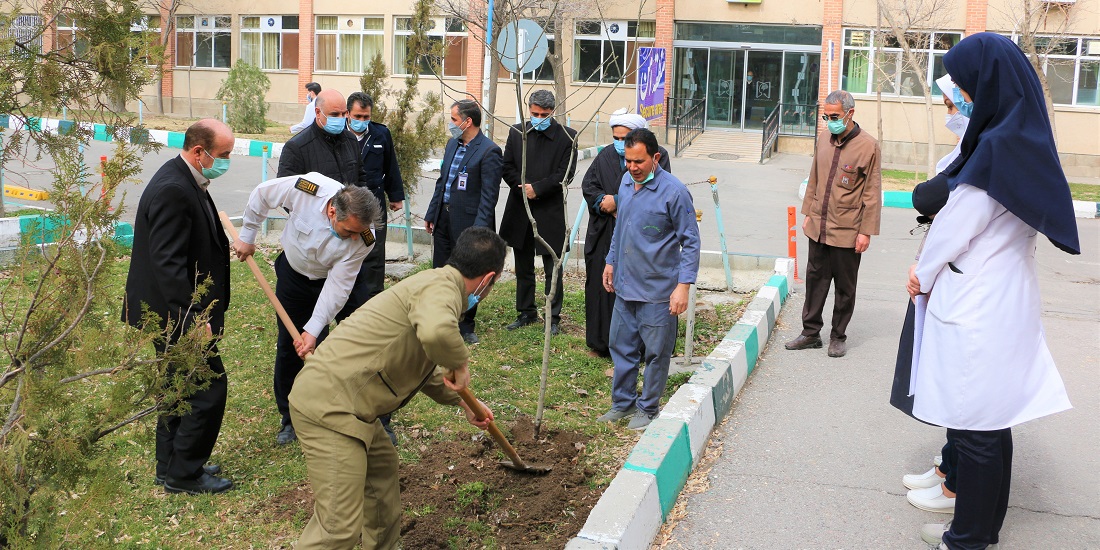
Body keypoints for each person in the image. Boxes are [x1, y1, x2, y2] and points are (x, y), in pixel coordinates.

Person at [906, 33, 1080, 550]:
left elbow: (956, 224)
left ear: (985, 84)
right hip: (1000, 297)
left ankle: (968, 539)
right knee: (989, 419)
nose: (956, 90)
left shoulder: (997, 149)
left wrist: (923, 270)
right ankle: (981, 530)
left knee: (977, 424)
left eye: (962, 83)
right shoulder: (1015, 134)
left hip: (979, 303)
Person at [288, 226, 503, 549]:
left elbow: (424, 366)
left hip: (354, 407)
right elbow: (435, 334)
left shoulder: (436, 285)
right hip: (330, 407)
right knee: (337, 529)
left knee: (382, 499)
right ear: (487, 279)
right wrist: (460, 364)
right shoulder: (441, 290)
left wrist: (464, 403)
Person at [122, 119, 235, 495]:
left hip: (170, 311)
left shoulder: (187, 177)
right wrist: (190, 318)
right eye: (224, 155)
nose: (227, 162)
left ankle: (169, 464)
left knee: (176, 387)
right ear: (199, 151)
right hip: (174, 315)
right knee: (207, 390)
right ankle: (185, 474)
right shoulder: (174, 188)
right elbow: (167, 263)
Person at [232, 174, 381, 446]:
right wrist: (247, 235)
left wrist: (313, 329)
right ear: (333, 210)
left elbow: (338, 287)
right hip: (295, 275)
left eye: (358, 233)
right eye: (348, 231)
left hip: (338, 280)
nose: (353, 237)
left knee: (364, 343)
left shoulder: (364, 237)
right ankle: (291, 419)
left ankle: (374, 416)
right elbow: (263, 193)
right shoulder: (308, 189)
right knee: (291, 346)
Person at [891, 74, 970, 524]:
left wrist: (922, 272)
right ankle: (948, 465)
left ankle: (955, 483)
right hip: (943, 279)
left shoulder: (985, 150)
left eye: (954, 103)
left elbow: (935, 198)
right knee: (938, 371)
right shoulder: (972, 147)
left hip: (960, 286)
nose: (950, 114)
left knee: (957, 385)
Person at [596, 128, 700, 431]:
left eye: (639, 161)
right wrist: (611, 262)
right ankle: (623, 403)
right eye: (628, 161)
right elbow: (621, 228)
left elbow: (691, 242)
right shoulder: (627, 183)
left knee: (656, 353)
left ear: (655, 157)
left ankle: (649, 407)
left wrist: (683, 286)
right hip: (626, 284)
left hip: (658, 291)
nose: (632, 167)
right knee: (621, 346)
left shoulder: (675, 192)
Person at [784, 89, 881, 358]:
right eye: (825, 116)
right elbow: (814, 177)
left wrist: (866, 232)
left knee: (845, 287)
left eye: (834, 116)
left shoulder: (868, 146)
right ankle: (810, 332)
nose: (829, 121)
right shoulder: (824, 138)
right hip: (818, 225)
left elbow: (872, 193)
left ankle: (838, 336)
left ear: (850, 113)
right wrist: (808, 215)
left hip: (848, 230)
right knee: (815, 281)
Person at [581, 109, 670, 357]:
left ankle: (638, 347)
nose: (621, 144)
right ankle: (601, 342)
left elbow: (658, 190)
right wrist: (603, 202)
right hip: (604, 232)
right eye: (616, 138)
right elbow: (589, 186)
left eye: (626, 138)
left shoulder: (657, 157)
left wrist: (619, 200)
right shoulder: (606, 155)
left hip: (639, 235)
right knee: (603, 286)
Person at [425, 99, 503, 345]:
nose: (451, 124)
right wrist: (431, 213)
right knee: (442, 269)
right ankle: (441, 318)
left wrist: (477, 231)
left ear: (468, 122)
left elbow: (489, 196)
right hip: (444, 217)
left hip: (469, 223)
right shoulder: (452, 145)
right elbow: (443, 182)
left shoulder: (489, 151)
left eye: (454, 120)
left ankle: (466, 324)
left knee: (467, 274)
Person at [499, 90, 578, 335]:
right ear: (529, 109)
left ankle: (552, 316)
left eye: (544, 114)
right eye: (534, 114)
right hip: (520, 206)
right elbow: (507, 166)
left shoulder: (567, 137)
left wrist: (539, 189)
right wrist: (523, 187)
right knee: (523, 265)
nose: (539, 118)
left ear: (552, 112)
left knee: (553, 266)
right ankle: (526, 311)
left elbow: (566, 173)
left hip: (550, 209)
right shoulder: (517, 132)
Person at [341, 92, 404, 316]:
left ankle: (374, 299)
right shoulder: (339, 134)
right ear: (348, 114)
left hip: (373, 206)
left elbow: (391, 166)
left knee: (374, 251)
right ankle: (344, 296)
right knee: (344, 249)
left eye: (366, 116)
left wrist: (396, 196)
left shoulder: (380, 134)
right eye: (358, 116)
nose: (362, 121)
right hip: (346, 205)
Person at [278, 88, 360, 186]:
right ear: (318, 112)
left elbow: (360, 177)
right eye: (334, 114)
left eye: (344, 114)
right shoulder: (296, 147)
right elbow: (286, 188)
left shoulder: (351, 140)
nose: (340, 118)